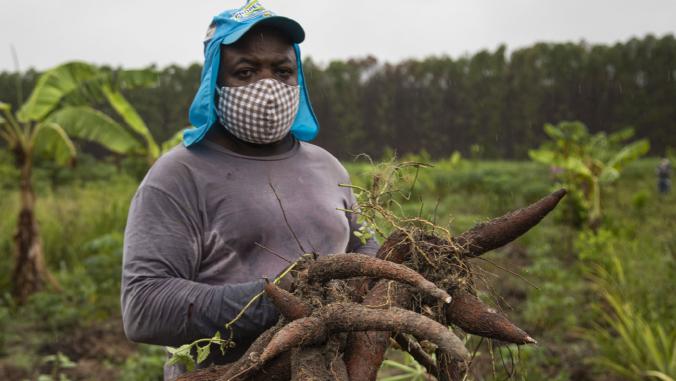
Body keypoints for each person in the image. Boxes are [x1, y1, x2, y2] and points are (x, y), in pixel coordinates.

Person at [120, 1, 378, 379]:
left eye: (282, 70)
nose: (268, 87)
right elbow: (144, 307)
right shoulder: (177, 176)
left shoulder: (328, 166)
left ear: (298, 79)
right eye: (245, 71)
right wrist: (275, 299)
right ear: (214, 81)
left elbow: (366, 249)